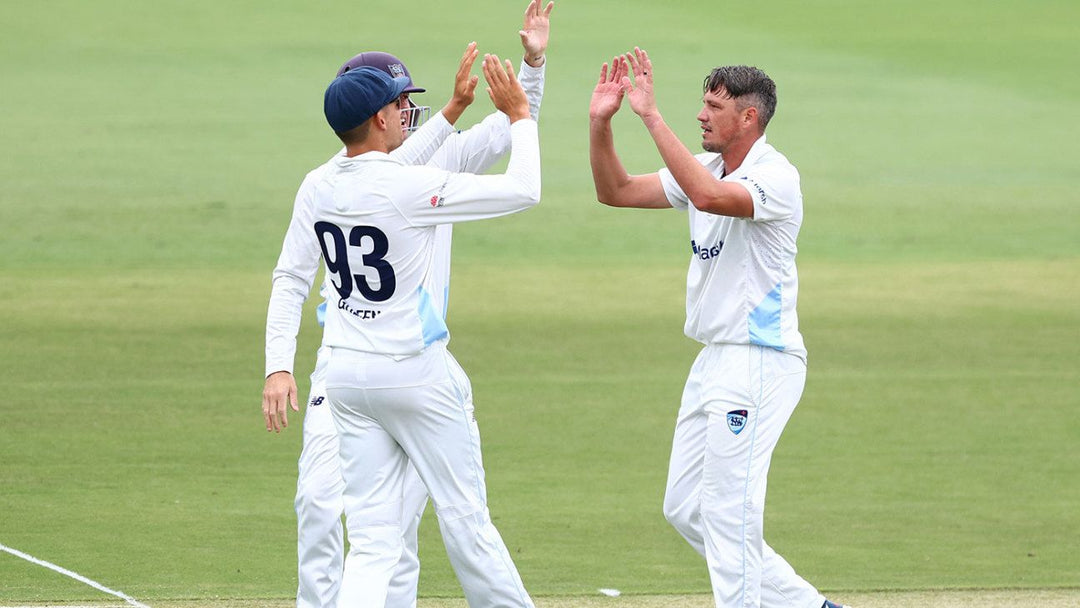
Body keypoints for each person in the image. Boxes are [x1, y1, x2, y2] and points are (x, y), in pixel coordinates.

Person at [262, 3, 552, 607]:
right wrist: (521, 115)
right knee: (466, 519)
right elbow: (524, 188)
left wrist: (474, 101)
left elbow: (403, 159)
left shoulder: (319, 184)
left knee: (370, 543)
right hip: (413, 372)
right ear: (378, 118)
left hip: (347, 377)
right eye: (398, 106)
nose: (406, 113)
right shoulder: (406, 186)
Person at [588, 47, 850, 608]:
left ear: (748, 118)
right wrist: (600, 123)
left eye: (713, 107)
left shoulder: (776, 176)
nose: (701, 115)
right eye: (701, 104)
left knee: (730, 514)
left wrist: (651, 118)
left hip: (760, 356)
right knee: (686, 509)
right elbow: (615, 191)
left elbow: (710, 199)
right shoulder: (705, 167)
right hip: (714, 358)